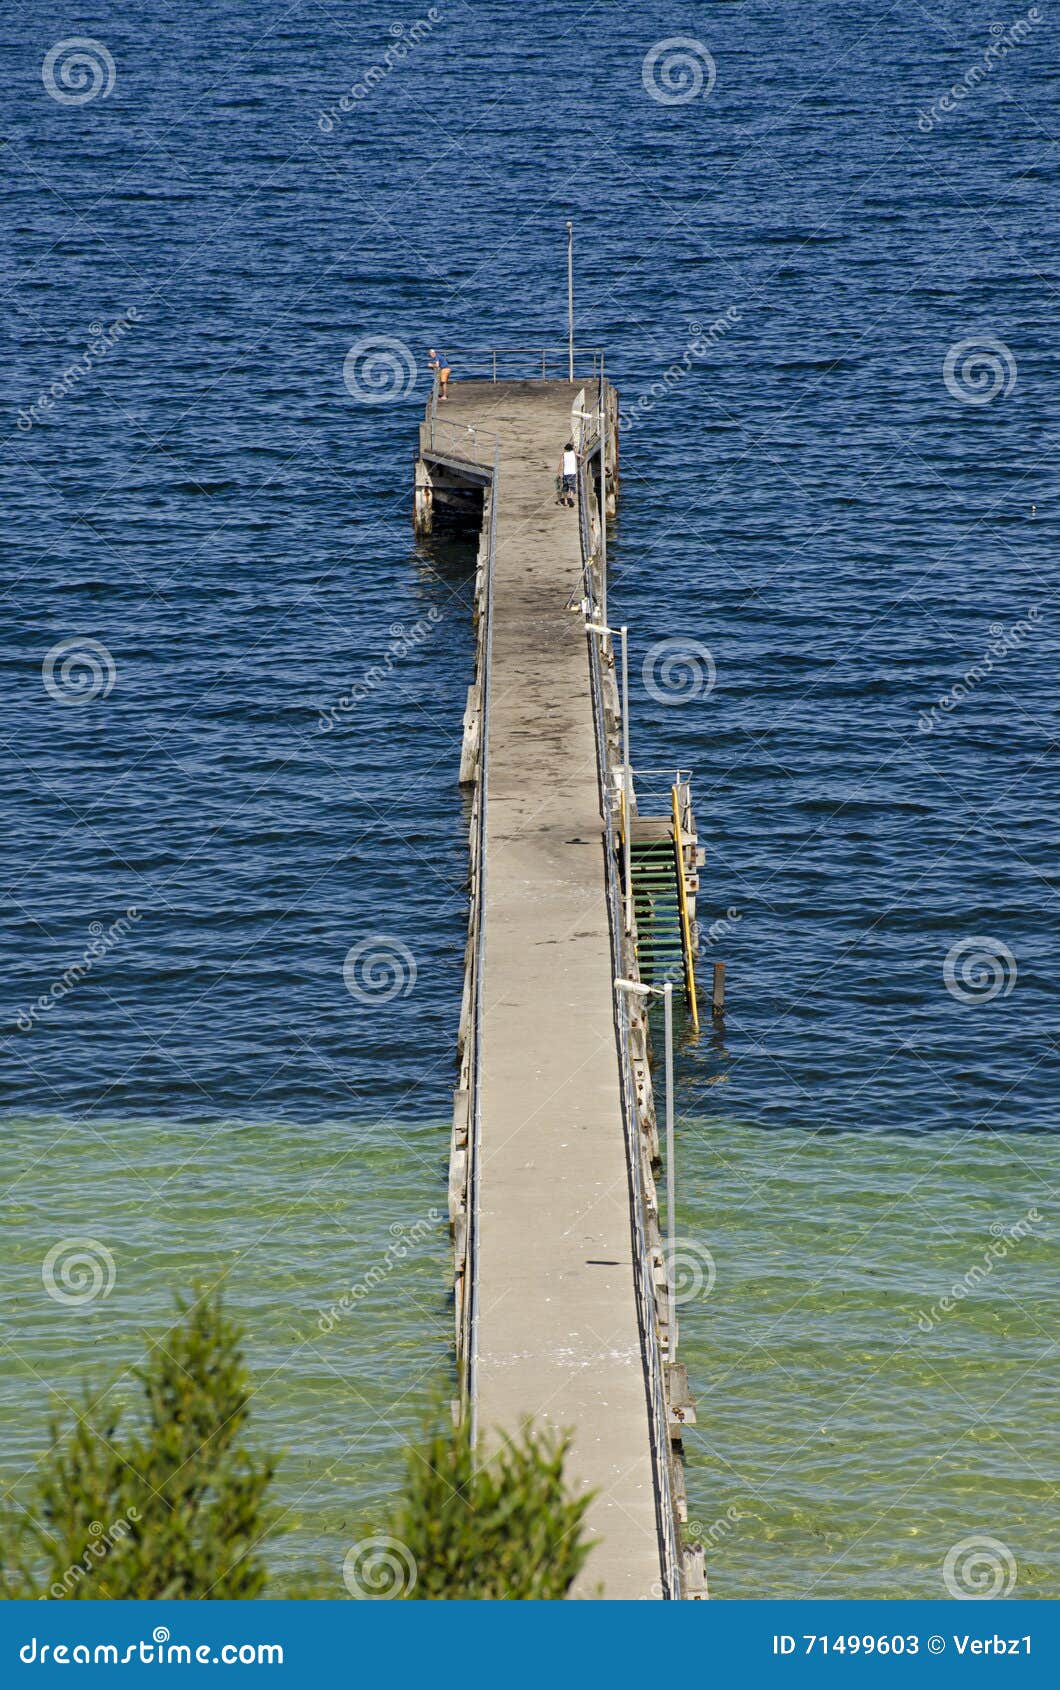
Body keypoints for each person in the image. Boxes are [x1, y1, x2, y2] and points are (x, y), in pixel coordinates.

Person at [558, 440, 577, 507]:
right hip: (573, 474)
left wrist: (558, 473)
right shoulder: (574, 454)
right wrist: (581, 463)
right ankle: (570, 498)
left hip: (566, 474)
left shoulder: (563, 455)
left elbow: (561, 464)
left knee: (565, 488)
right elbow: (582, 457)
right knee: (572, 487)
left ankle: (565, 502)